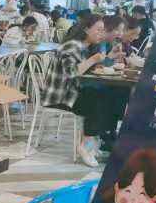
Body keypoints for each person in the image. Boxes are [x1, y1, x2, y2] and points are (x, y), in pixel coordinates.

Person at [42, 15, 111, 167]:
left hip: (71, 91)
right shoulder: (72, 46)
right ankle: (86, 145)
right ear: (86, 29)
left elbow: (82, 71)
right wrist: (93, 60)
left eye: (103, 30)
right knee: (96, 100)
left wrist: (97, 63)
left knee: (106, 95)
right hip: (59, 96)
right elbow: (71, 72)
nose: (101, 33)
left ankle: (94, 140)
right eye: (98, 30)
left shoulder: (84, 47)